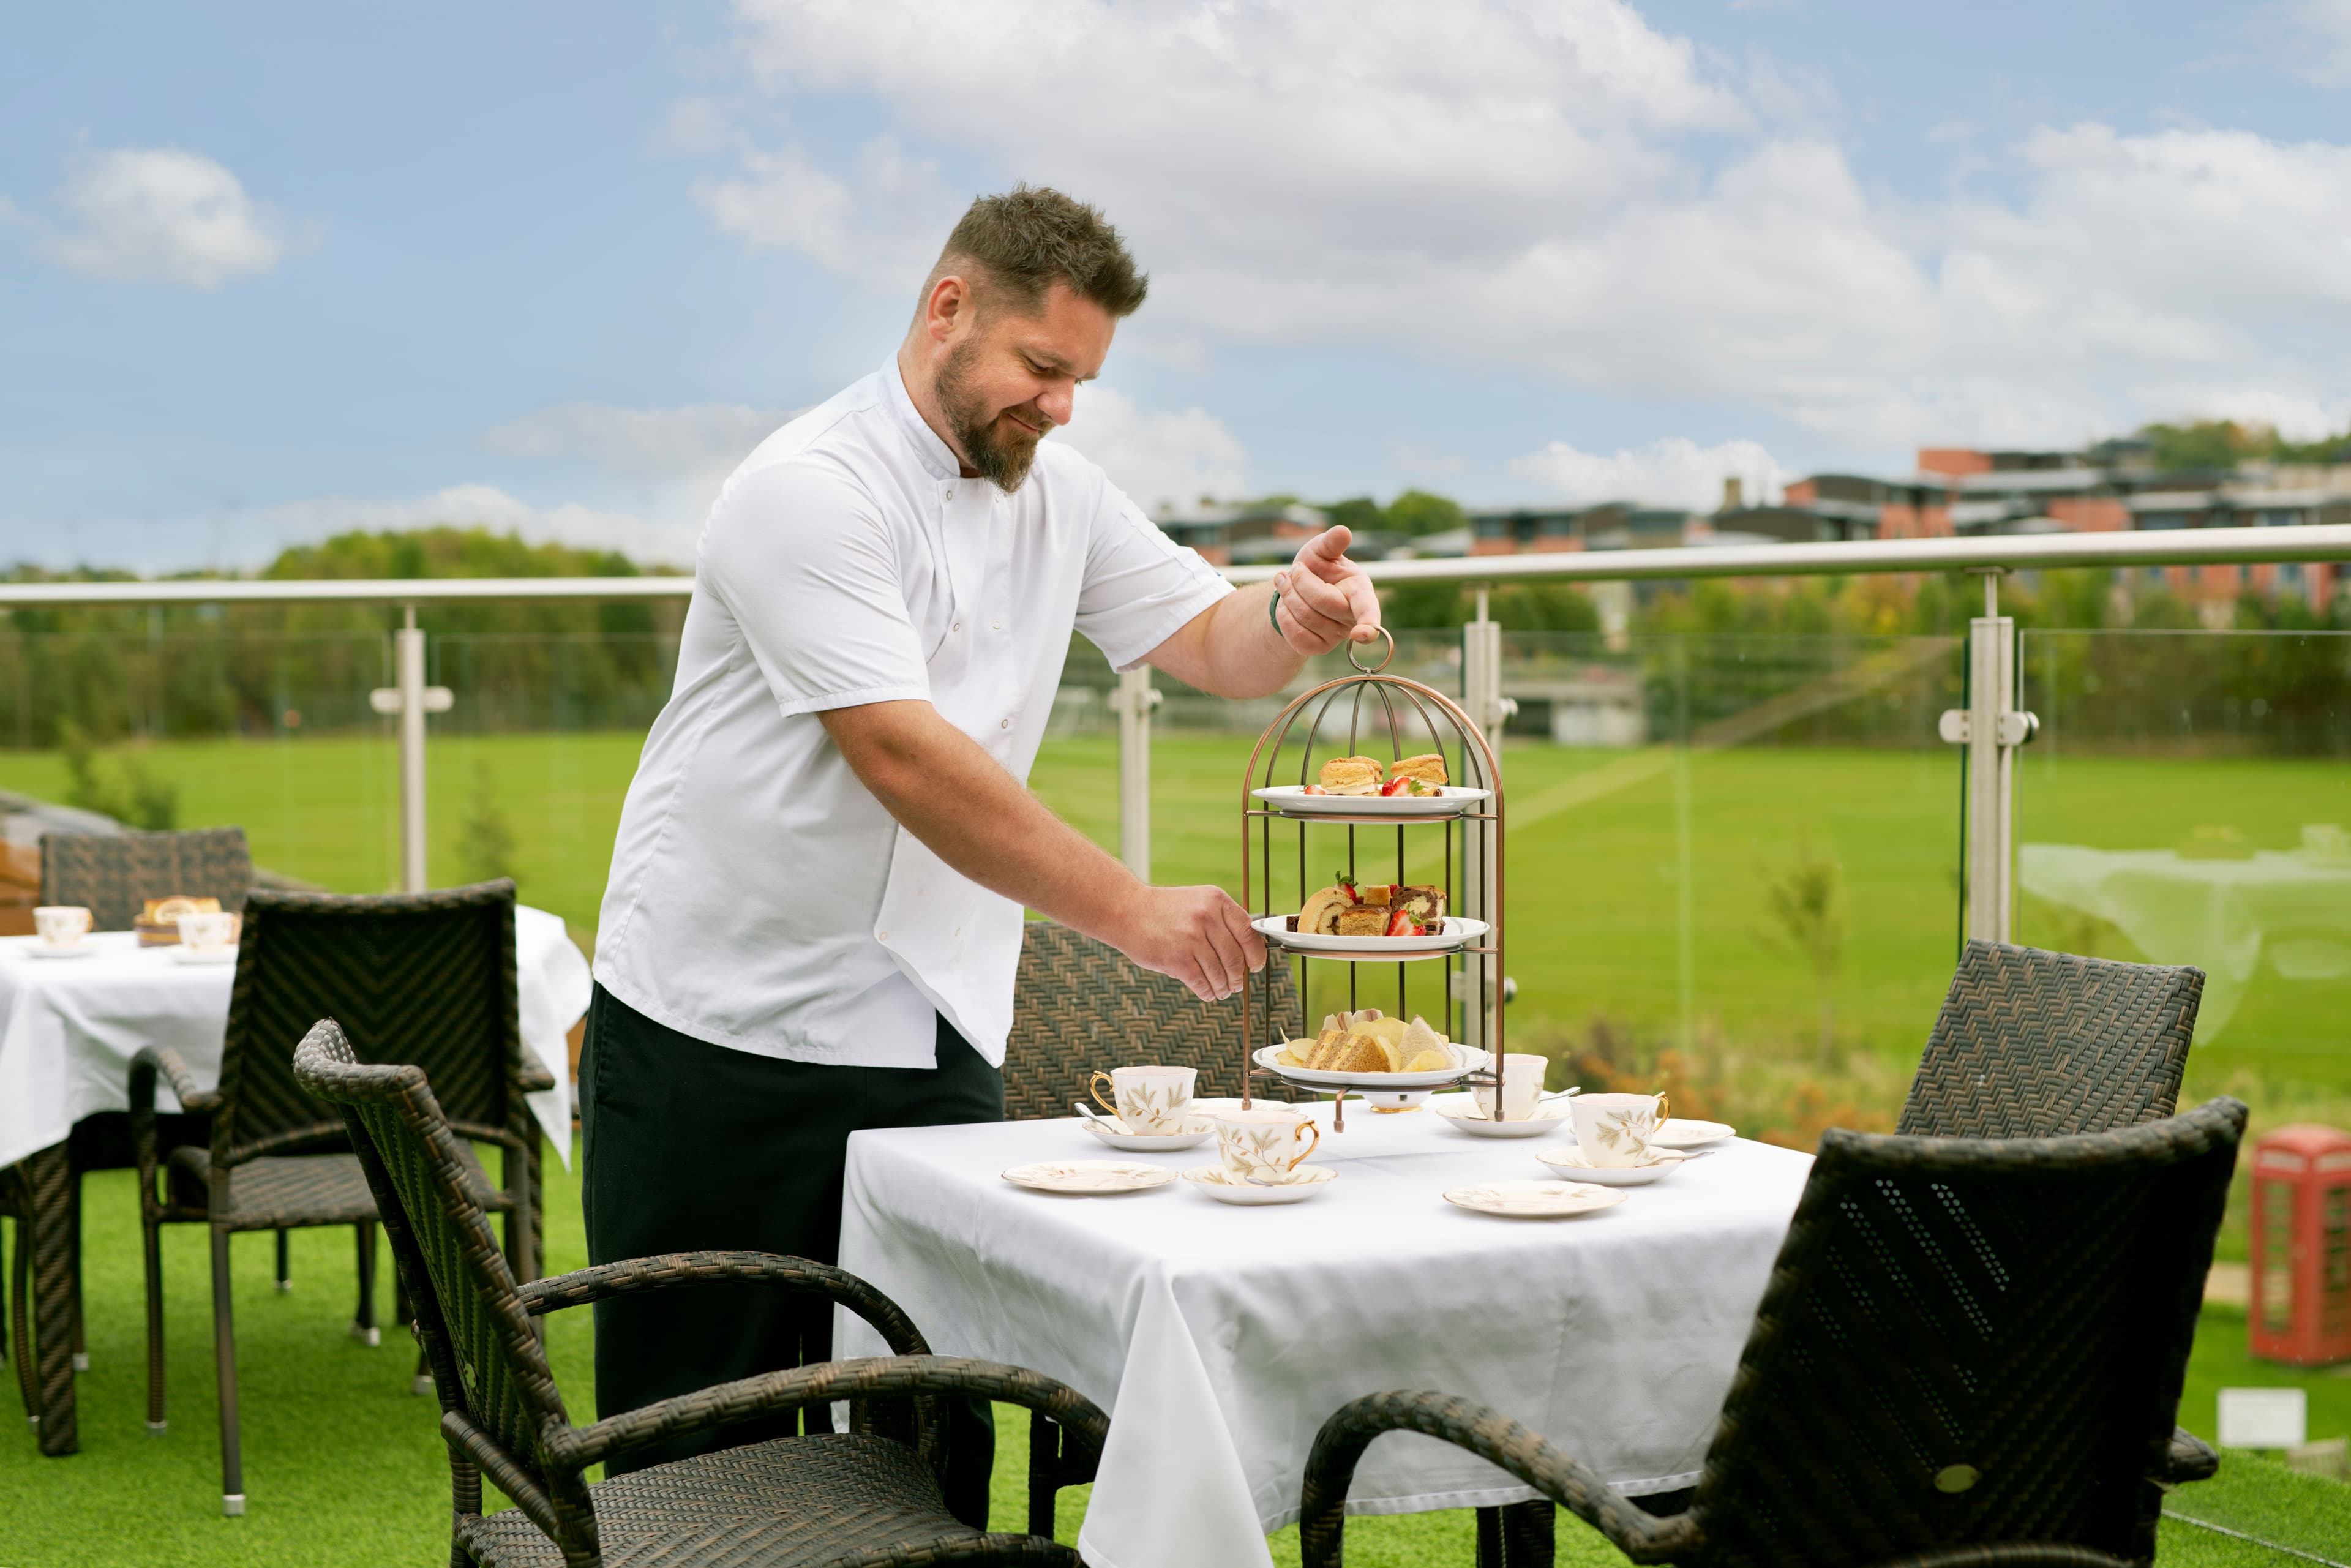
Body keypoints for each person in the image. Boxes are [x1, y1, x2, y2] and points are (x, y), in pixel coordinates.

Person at [579, 185, 1382, 1507]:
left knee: (937, 1431)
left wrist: (1290, 614)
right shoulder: (804, 489)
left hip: (935, 1023)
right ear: (947, 309)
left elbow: (1206, 641)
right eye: (1043, 367)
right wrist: (1130, 909)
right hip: (718, 1027)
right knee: (691, 1456)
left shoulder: (1056, 490)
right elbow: (906, 757)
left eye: (1083, 380)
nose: (1062, 404)